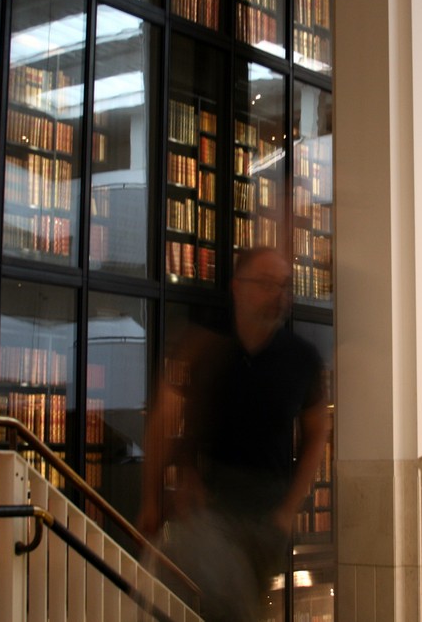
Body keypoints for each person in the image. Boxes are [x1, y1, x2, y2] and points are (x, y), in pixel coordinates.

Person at [139, 247, 330, 621]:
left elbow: (317, 433)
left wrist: (289, 508)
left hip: (267, 513)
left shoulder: (302, 359)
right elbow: (166, 419)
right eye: (265, 284)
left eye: (284, 286)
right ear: (237, 288)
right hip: (212, 503)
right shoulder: (206, 346)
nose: (278, 296)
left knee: (236, 603)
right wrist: (151, 497)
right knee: (223, 600)